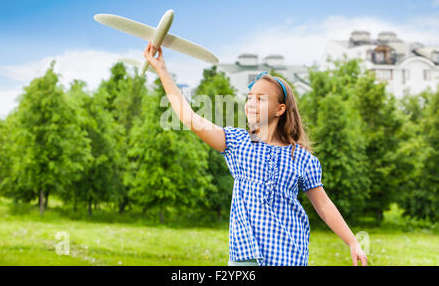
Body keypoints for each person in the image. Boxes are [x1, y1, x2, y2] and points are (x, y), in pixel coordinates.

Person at [143, 41, 368, 266]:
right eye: (249, 96)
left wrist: (351, 241)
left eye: (261, 98)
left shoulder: (301, 158)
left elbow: (324, 204)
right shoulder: (238, 143)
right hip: (245, 257)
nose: (251, 102)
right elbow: (190, 118)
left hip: (288, 255)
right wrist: (162, 69)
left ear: (280, 109)